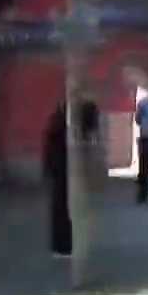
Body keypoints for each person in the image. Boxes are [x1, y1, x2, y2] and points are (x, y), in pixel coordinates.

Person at [44, 99, 100, 258]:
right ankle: (67, 245)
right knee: (69, 204)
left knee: (64, 205)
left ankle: (63, 245)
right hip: (66, 164)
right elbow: (90, 139)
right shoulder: (80, 110)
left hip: (62, 164)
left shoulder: (64, 110)